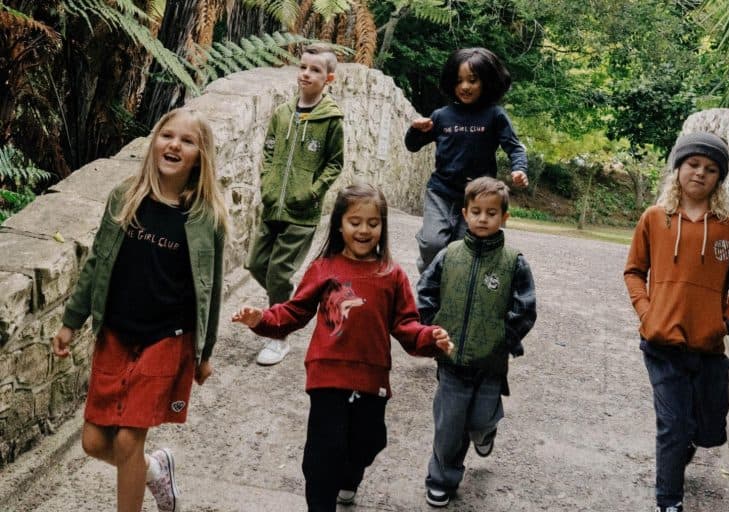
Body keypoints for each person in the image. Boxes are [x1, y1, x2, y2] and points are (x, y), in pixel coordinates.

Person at [232, 183, 454, 512]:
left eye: (373, 223)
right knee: (323, 455)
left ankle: (350, 478)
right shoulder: (324, 268)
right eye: (355, 222)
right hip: (327, 376)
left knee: (369, 442)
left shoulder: (391, 275)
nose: (364, 230)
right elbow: (294, 312)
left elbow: (406, 325)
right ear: (339, 224)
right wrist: (261, 319)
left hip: (372, 379)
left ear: (383, 226)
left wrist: (430, 339)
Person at [51, 107, 228, 512]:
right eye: (168, 136)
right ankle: (154, 470)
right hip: (115, 333)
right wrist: (70, 322)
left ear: (201, 156)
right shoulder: (126, 196)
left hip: (168, 338)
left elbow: (210, 290)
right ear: (154, 142)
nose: (174, 145)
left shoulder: (206, 217)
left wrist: (206, 352)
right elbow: (97, 262)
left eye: (187, 141)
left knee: (130, 438)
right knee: (95, 442)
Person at [624, 132, 729, 512]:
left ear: (720, 178)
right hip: (661, 343)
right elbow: (634, 271)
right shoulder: (654, 218)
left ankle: (692, 440)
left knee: (709, 428)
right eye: (693, 164)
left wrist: (727, 320)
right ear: (678, 168)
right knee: (671, 425)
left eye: (711, 169)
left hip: (708, 345)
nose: (700, 174)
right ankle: (669, 501)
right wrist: (647, 312)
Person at [416, 176, 537, 507]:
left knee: (480, 419)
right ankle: (442, 478)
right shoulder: (449, 255)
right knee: (448, 426)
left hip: (490, 364)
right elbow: (425, 292)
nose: (483, 219)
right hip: (451, 360)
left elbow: (525, 308)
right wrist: (430, 330)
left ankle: (487, 432)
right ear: (465, 214)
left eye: (491, 213)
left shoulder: (514, 262)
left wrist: (503, 339)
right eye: (477, 212)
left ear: (504, 217)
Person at [244, 43, 345, 366]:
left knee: (278, 272)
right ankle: (289, 304)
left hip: (302, 212)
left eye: (315, 70)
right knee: (257, 264)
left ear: (328, 78)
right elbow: (270, 152)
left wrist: (312, 192)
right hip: (274, 204)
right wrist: (267, 184)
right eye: (303, 67)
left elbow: (334, 163)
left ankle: (279, 335)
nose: (306, 73)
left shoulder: (331, 121)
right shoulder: (283, 113)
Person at [405, 47, 529, 273]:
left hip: (477, 197)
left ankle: (456, 290)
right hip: (440, 192)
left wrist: (519, 169)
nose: (464, 86)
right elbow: (412, 146)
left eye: (472, 80)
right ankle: (429, 274)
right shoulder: (442, 115)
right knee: (433, 243)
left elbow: (514, 147)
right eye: (459, 80)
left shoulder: (495, 115)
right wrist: (415, 130)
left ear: (486, 82)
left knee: (465, 249)